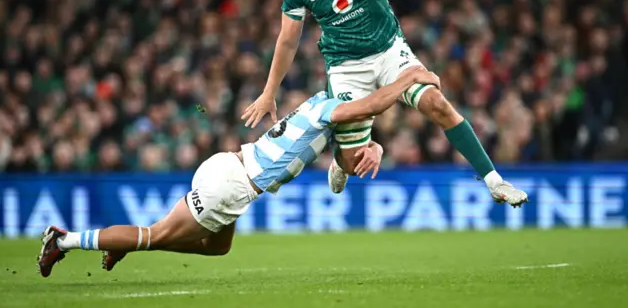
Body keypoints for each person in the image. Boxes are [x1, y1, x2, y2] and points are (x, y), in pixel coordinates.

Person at [37, 67, 440, 278]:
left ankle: (127, 242)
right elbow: (367, 108)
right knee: (154, 235)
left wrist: (377, 146)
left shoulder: (324, 111)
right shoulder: (329, 109)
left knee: (217, 247)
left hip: (231, 168)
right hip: (232, 184)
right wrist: (409, 80)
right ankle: (65, 240)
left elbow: (347, 160)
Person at [242, 0, 528, 207]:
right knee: (355, 162)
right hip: (345, 67)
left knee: (436, 103)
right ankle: (343, 161)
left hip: (390, 51)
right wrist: (269, 92)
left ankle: (494, 181)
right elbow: (288, 40)